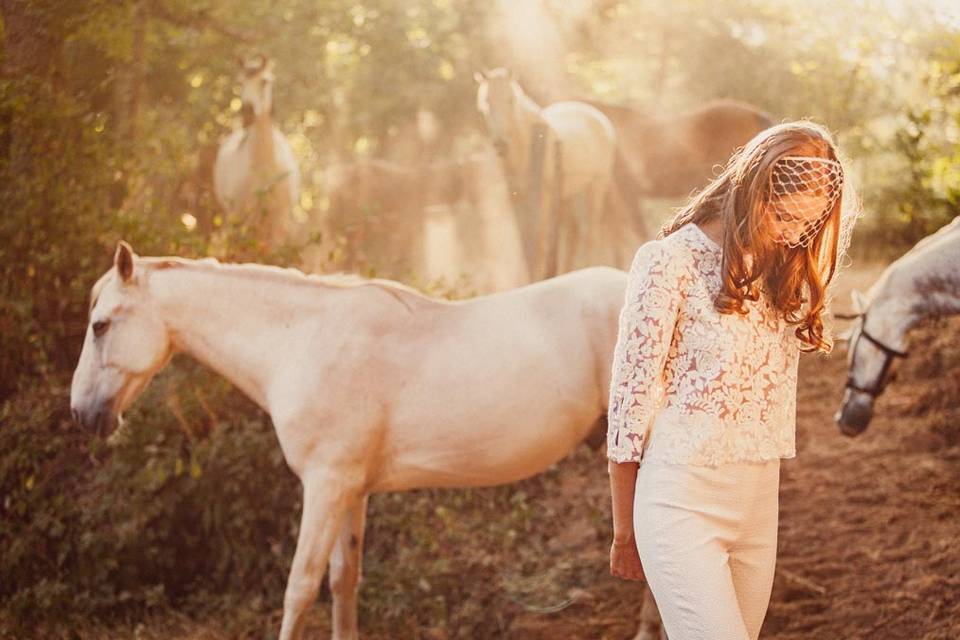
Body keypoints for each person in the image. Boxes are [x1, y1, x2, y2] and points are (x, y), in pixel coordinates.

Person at [606, 120, 862, 640]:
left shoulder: (781, 268)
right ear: (752, 191)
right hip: (680, 502)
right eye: (786, 217)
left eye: (808, 224)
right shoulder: (668, 261)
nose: (795, 234)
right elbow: (629, 403)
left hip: (757, 506)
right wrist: (624, 530)